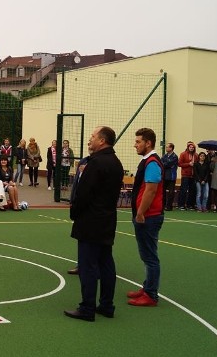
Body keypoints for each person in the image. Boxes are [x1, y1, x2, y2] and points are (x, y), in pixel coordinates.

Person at [63, 126, 124, 321]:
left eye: (92, 137)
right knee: (106, 263)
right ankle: (107, 305)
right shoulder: (116, 162)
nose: (90, 140)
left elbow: (84, 194)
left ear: (102, 141)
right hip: (107, 220)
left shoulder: (96, 163)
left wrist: (75, 213)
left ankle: (87, 307)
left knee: (88, 265)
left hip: (90, 221)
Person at [127, 127, 164, 307]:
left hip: (149, 217)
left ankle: (151, 294)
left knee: (150, 256)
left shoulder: (152, 163)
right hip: (146, 216)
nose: (135, 145)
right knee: (146, 255)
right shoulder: (147, 161)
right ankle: (147, 287)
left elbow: (151, 190)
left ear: (148, 143)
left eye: (138, 142)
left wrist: (141, 212)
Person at [177, 141, 196, 210]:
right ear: (188, 147)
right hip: (185, 175)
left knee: (192, 191)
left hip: (193, 175)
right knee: (183, 190)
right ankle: (181, 205)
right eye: (190, 147)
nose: (191, 148)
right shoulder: (183, 154)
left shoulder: (196, 155)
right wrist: (188, 164)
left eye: (193, 147)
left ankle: (190, 205)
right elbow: (179, 164)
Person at [161, 143, 178, 211]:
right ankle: (163, 205)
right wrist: (165, 164)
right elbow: (161, 162)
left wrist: (164, 164)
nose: (166, 148)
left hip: (171, 176)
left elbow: (168, 164)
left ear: (171, 148)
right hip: (164, 176)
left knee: (171, 192)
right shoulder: (164, 156)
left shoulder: (174, 156)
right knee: (163, 192)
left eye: (167, 147)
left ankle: (169, 206)